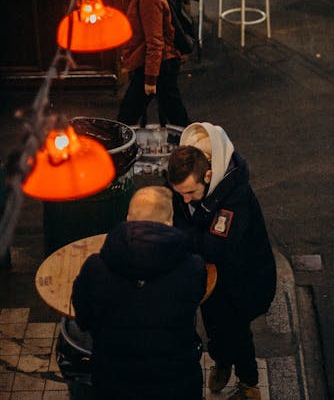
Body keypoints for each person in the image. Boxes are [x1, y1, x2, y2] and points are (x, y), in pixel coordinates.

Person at [167, 122, 277, 400]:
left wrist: (182, 235)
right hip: (215, 274)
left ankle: (249, 383)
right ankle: (222, 363)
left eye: (190, 193)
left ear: (208, 175)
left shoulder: (235, 197)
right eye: (180, 194)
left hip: (245, 278)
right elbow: (183, 219)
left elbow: (215, 246)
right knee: (214, 324)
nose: (185, 199)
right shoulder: (188, 183)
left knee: (238, 331)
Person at [72, 186, 207, 400]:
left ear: (128, 218)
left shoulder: (95, 268)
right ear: (169, 222)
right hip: (176, 383)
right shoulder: (192, 269)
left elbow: (83, 318)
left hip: (113, 383)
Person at [117, 0, 189, 127]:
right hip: (160, 63)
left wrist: (150, 79)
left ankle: (194, 150)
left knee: (127, 116)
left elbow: (155, 42)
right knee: (174, 112)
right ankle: (192, 149)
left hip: (157, 65)